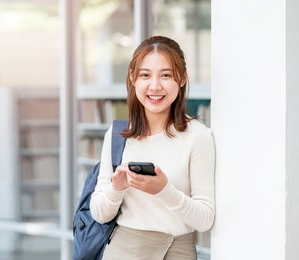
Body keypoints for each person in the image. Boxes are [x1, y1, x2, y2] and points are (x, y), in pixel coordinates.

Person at [90, 35, 215, 260]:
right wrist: (116, 188)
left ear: (182, 78)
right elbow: (99, 213)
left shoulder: (198, 136)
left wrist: (163, 190)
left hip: (178, 252)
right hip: (123, 251)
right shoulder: (118, 134)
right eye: (145, 75)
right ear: (132, 78)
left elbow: (205, 219)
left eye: (165, 75)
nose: (155, 86)